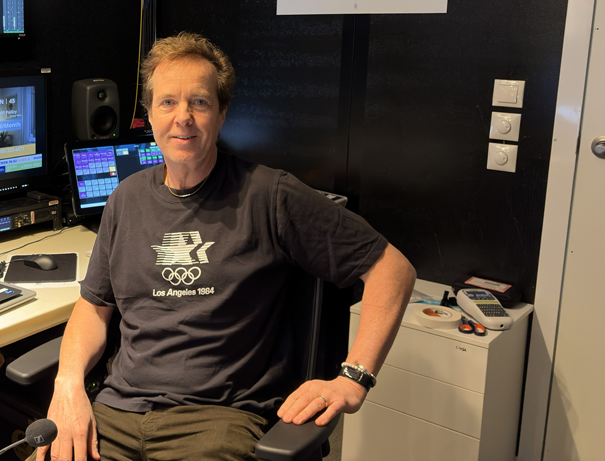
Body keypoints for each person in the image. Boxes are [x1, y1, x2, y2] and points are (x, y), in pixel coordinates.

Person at [36, 32, 416, 461]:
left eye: (199, 102)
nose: (182, 117)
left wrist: (353, 378)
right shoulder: (126, 199)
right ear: (148, 114)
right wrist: (67, 384)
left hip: (218, 421)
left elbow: (392, 269)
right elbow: (93, 306)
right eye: (167, 102)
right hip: (116, 413)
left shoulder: (269, 195)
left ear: (221, 114)